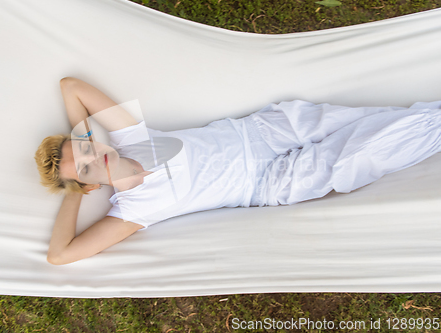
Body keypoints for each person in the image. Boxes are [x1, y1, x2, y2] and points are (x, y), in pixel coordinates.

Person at [35, 77, 441, 265]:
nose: (96, 157)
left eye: (88, 148)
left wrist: (81, 134)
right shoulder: (132, 210)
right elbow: (60, 255)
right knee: (368, 151)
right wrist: (73, 190)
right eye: (88, 168)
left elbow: (71, 87)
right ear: (88, 187)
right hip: (272, 181)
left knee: (381, 120)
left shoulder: (129, 136)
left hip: (263, 131)